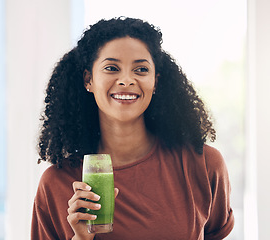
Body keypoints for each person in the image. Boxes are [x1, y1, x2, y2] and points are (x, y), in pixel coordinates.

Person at [31, 17, 234, 240]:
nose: (126, 80)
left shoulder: (203, 165)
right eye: (111, 68)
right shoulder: (56, 184)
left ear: (155, 82)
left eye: (140, 69)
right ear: (88, 79)